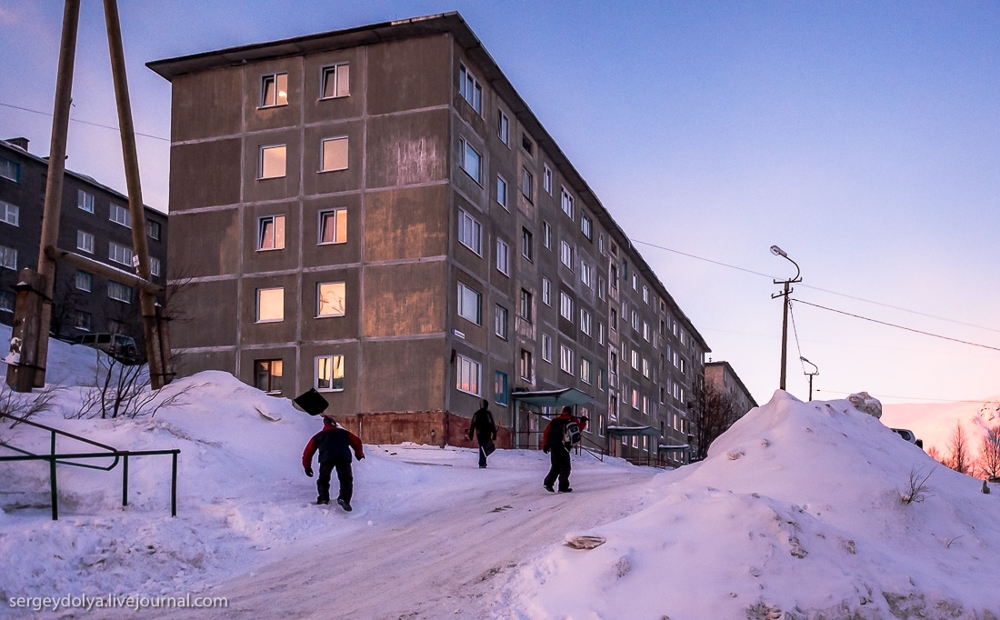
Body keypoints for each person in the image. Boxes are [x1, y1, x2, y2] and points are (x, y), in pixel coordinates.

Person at [302, 415, 365, 511]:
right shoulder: (343, 433)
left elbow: (308, 451)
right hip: (343, 457)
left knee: (323, 479)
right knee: (346, 479)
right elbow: (357, 441)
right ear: (334, 424)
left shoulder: (318, 436)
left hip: (326, 459)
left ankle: (323, 499)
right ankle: (344, 498)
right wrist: (359, 454)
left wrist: (307, 466)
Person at [541, 406, 588, 493]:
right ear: (570, 412)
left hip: (554, 446)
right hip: (564, 447)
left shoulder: (554, 421)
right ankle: (563, 487)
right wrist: (583, 421)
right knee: (565, 467)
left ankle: (548, 483)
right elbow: (577, 431)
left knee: (555, 466)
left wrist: (545, 444)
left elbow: (546, 432)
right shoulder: (572, 420)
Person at [468, 399, 497, 468]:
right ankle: (482, 462)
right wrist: (494, 433)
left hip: (479, 432)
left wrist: (471, 434)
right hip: (487, 432)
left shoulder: (477, 413)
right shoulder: (488, 413)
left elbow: (473, 424)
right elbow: (491, 424)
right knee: (485, 446)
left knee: (482, 447)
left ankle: (482, 462)